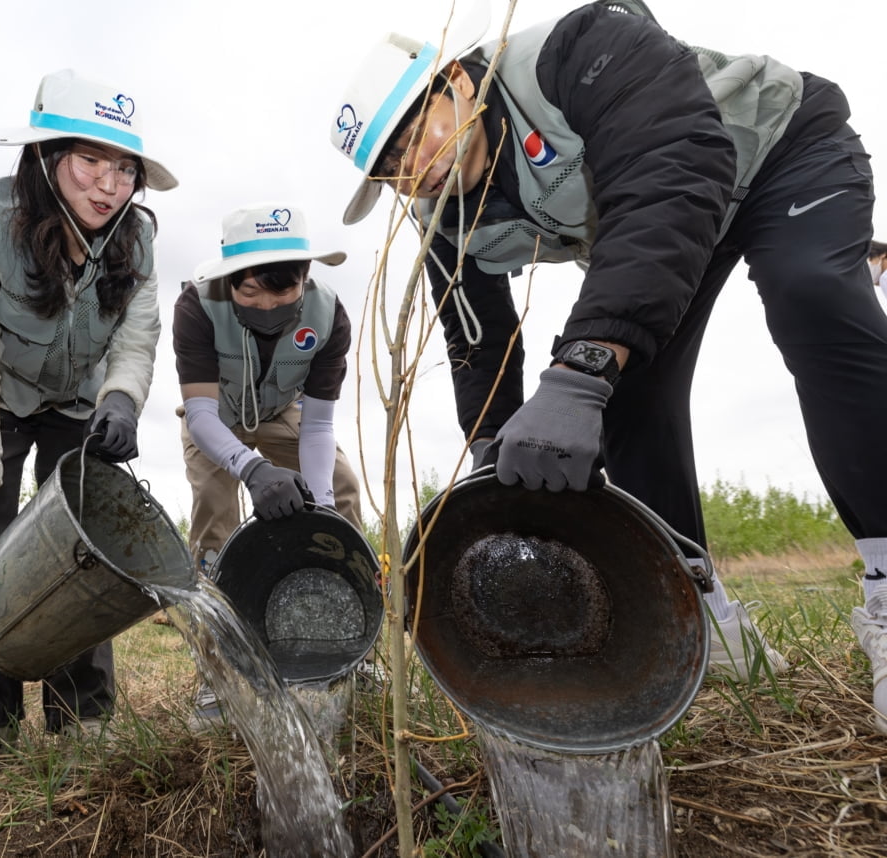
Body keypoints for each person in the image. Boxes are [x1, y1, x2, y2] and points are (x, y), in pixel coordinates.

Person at [328, 2, 887, 733]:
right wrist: (493, 447)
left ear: (459, 82)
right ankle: (705, 614)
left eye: (412, 135)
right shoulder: (441, 220)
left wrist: (583, 364)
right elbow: (479, 343)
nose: (414, 170)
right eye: (391, 168)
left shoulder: (579, 48)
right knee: (621, 405)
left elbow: (671, 172)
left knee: (810, 292)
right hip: (674, 231)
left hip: (775, 151)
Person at [0, 68, 177, 792]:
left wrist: (121, 399)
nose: (108, 184)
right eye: (90, 160)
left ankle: (81, 717)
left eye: (124, 168)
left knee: (85, 547)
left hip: (78, 404)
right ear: (45, 158)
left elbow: (137, 339)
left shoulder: (138, 241)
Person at [173, 202, 363, 726]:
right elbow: (202, 413)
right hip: (215, 418)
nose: (264, 305)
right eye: (248, 291)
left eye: (281, 291)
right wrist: (252, 470)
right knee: (215, 513)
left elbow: (320, 428)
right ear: (229, 279)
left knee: (342, 489)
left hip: (284, 413)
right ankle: (218, 677)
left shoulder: (329, 318)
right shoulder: (197, 306)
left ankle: (349, 645)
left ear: (305, 276)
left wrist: (318, 510)